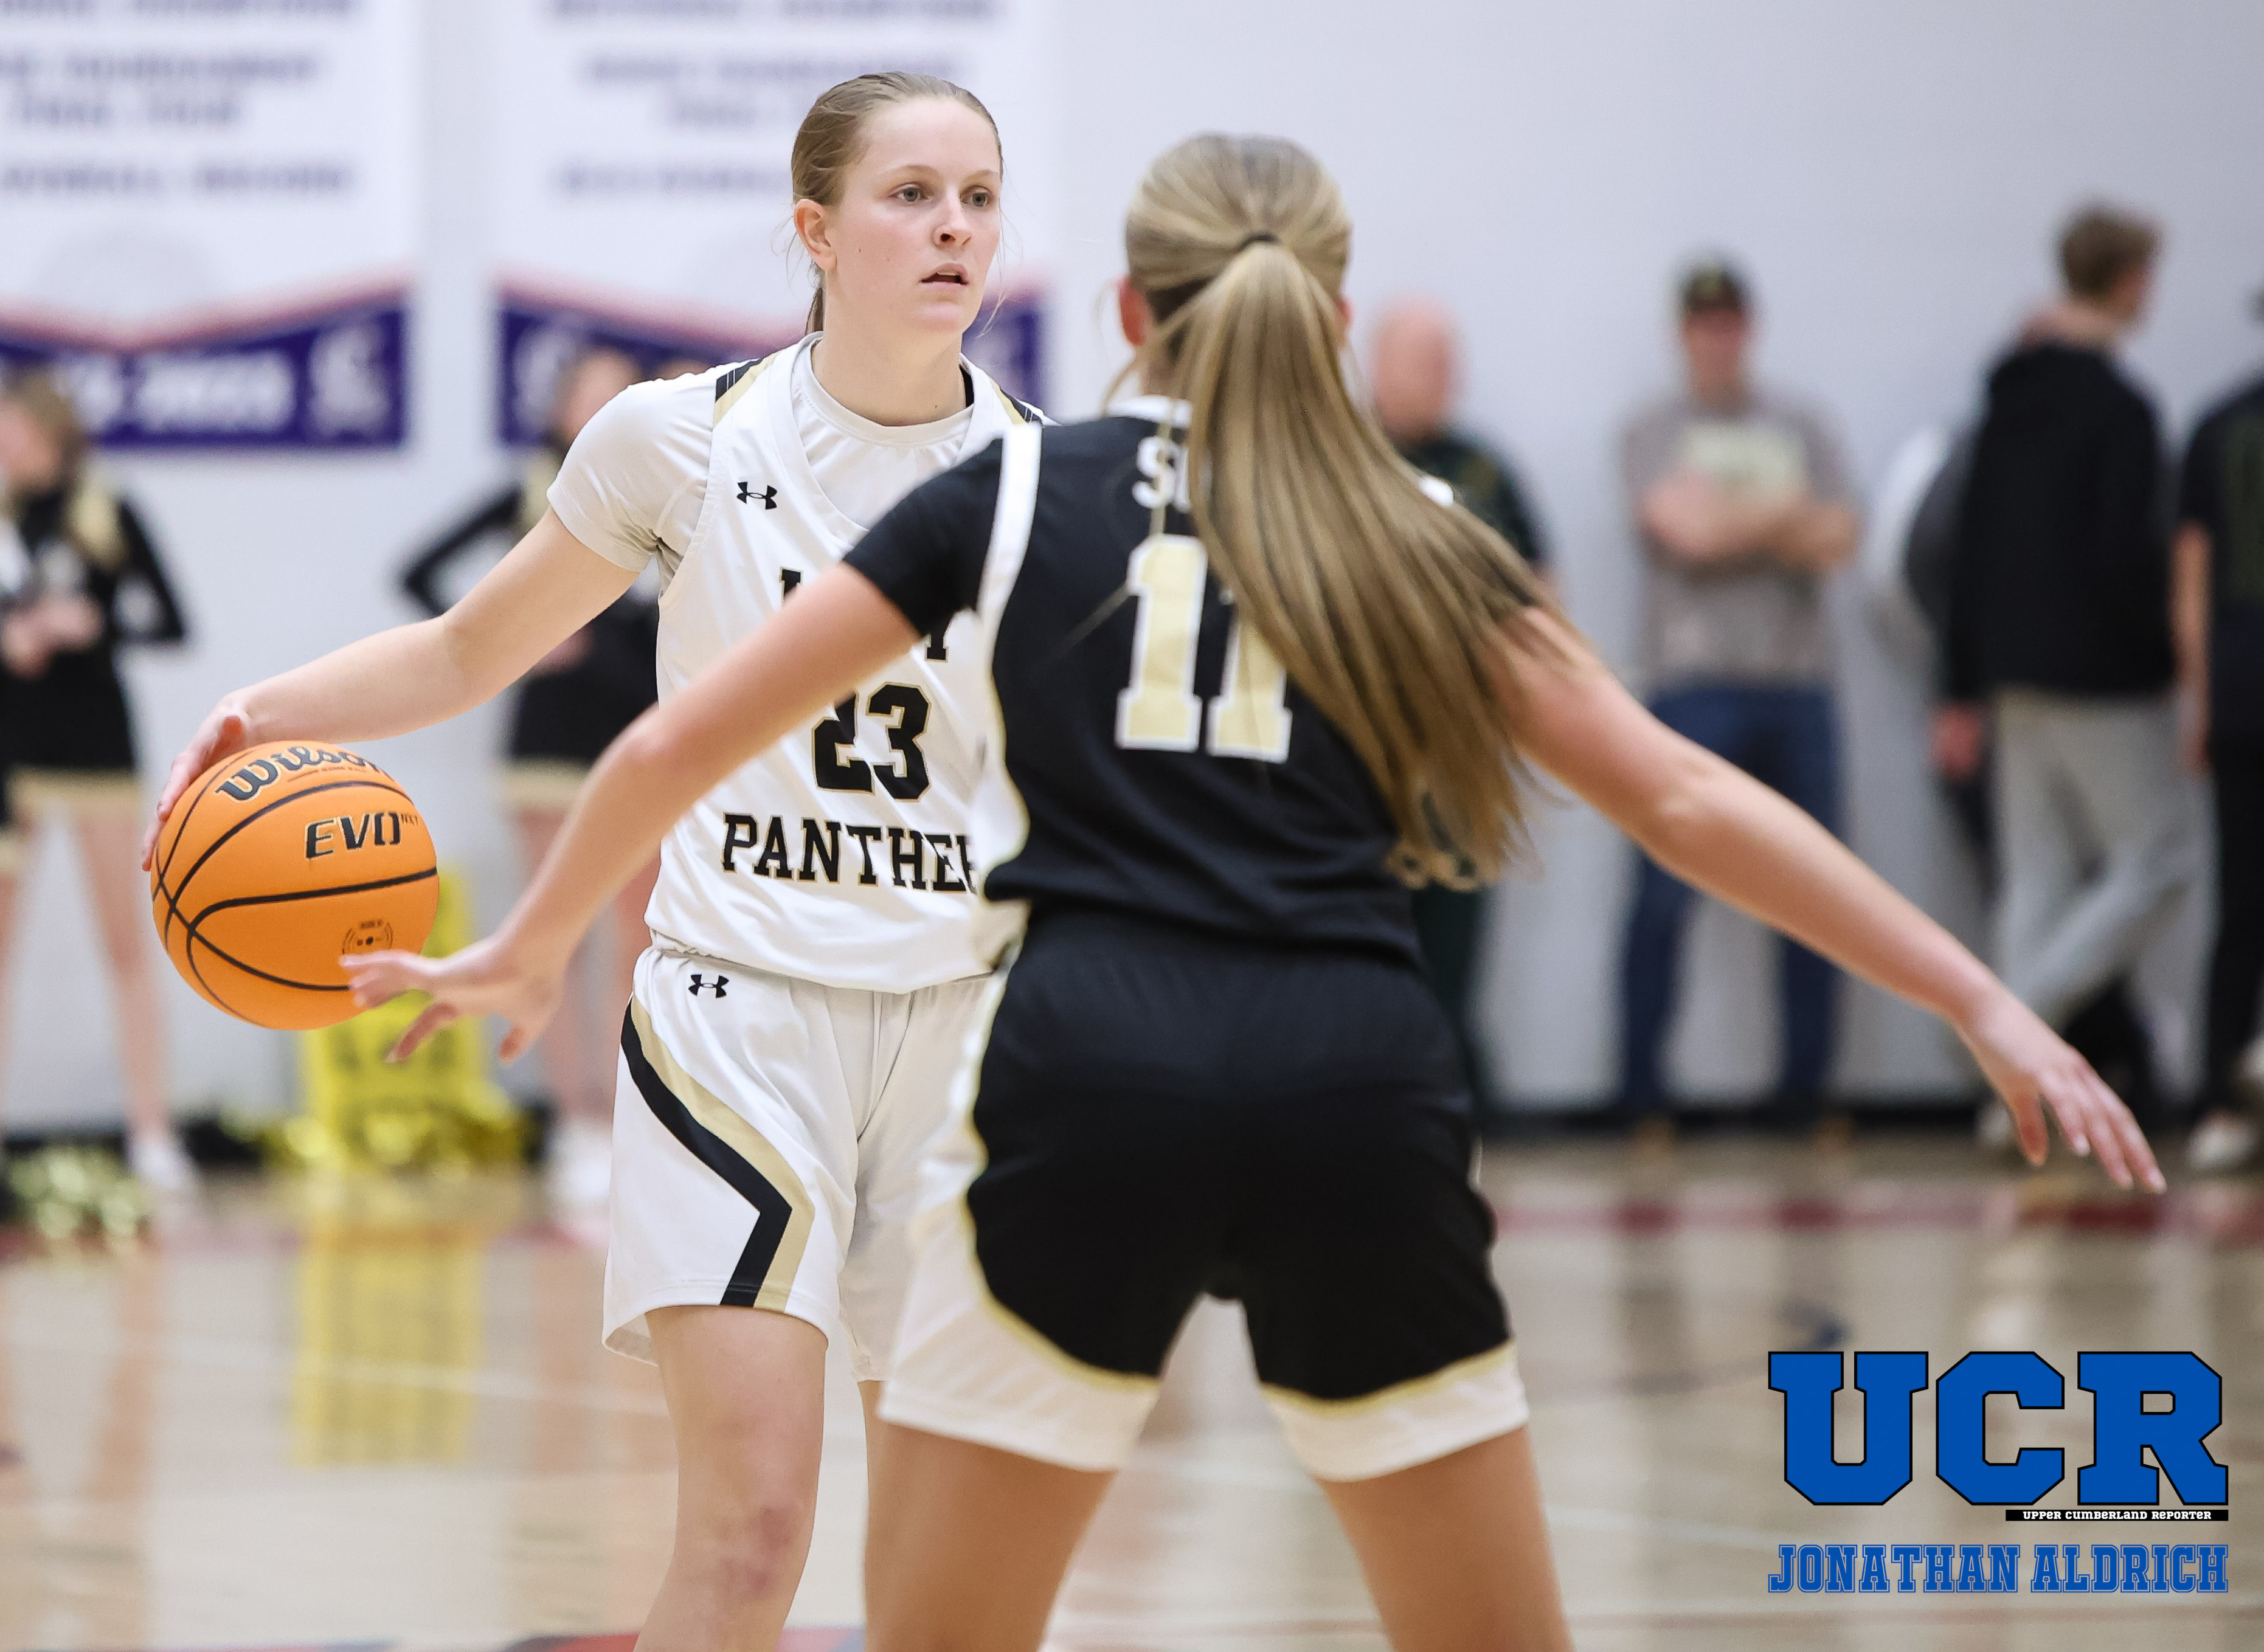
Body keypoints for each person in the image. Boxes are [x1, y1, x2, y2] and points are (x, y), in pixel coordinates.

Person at [342, 134, 2159, 1652]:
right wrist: (1979, 997)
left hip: (1084, 1072)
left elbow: (664, 745)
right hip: (1352, 1072)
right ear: (1337, 318)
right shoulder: (1419, 525)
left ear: (1130, 314)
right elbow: (1682, 795)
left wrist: (529, 944)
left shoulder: (1009, 489)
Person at [144, 72, 1040, 1646]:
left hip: (968, 1038)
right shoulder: (682, 437)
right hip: (739, 1020)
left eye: (976, 197)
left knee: (953, 1571)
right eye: (910, 195)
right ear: (815, 229)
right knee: (750, 1537)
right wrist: (259, 712)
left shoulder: (1051, 476)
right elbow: (466, 647)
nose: (952, 228)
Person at [1934, 206, 2198, 1152]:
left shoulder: (2007, 400)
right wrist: (2167, 663)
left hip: (2014, 676)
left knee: (2038, 881)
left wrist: (1961, 681)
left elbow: (1968, 550)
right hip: (2101, 677)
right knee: (2160, 858)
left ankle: (2013, 1102)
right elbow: (2128, 557)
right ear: (2128, 282)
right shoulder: (2121, 409)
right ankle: (2010, 1025)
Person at [398, 344, 656, 1208]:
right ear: (558, 406)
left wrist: (612, 648)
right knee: (558, 934)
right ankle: (572, 1121)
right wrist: (516, 641)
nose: (598, 408)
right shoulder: (531, 492)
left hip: (639, 735)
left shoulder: (659, 485)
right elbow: (419, 570)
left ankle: (629, 1119)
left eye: (616, 394)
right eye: (586, 394)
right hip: (546, 742)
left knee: (637, 939)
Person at [1616, 262, 1860, 1141]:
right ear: (1682, 333)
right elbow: (1682, 532)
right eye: (1703, 324)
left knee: (1814, 892)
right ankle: (1643, 1094)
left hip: (1796, 684)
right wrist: (1784, 513)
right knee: (1663, 894)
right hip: (1694, 686)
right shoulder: (1654, 429)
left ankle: (1806, 1092)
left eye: (1729, 322)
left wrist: (1732, 517)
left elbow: (1840, 534)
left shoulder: (1800, 423)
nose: (1717, 339)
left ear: (1747, 329)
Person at [0, 367, 191, 1190]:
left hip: (97, 748)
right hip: (14, 751)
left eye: (15, 430)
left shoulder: (107, 511)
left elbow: (173, 621)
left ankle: (152, 1134)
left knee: (126, 943)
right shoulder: (5, 518)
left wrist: (93, 624)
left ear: (52, 432)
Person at [1368, 299, 1549, 1110]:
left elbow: (1539, 592)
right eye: (1423, 359)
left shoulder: (1485, 473)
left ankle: (1452, 1091)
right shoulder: (1339, 456)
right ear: (1376, 362)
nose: (1442, 377)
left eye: (1448, 360)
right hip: (1365, 745)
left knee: (1456, 933)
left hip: (1459, 746)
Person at [2173, 289, 2264, 1172]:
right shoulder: (2220, 429)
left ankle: (2219, 1104)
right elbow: (2193, 572)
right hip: (2243, 689)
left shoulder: (2217, 423)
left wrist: (2201, 701)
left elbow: (2190, 584)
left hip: (2238, 689)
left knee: (2240, 904)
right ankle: (2225, 1094)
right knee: (2240, 904)